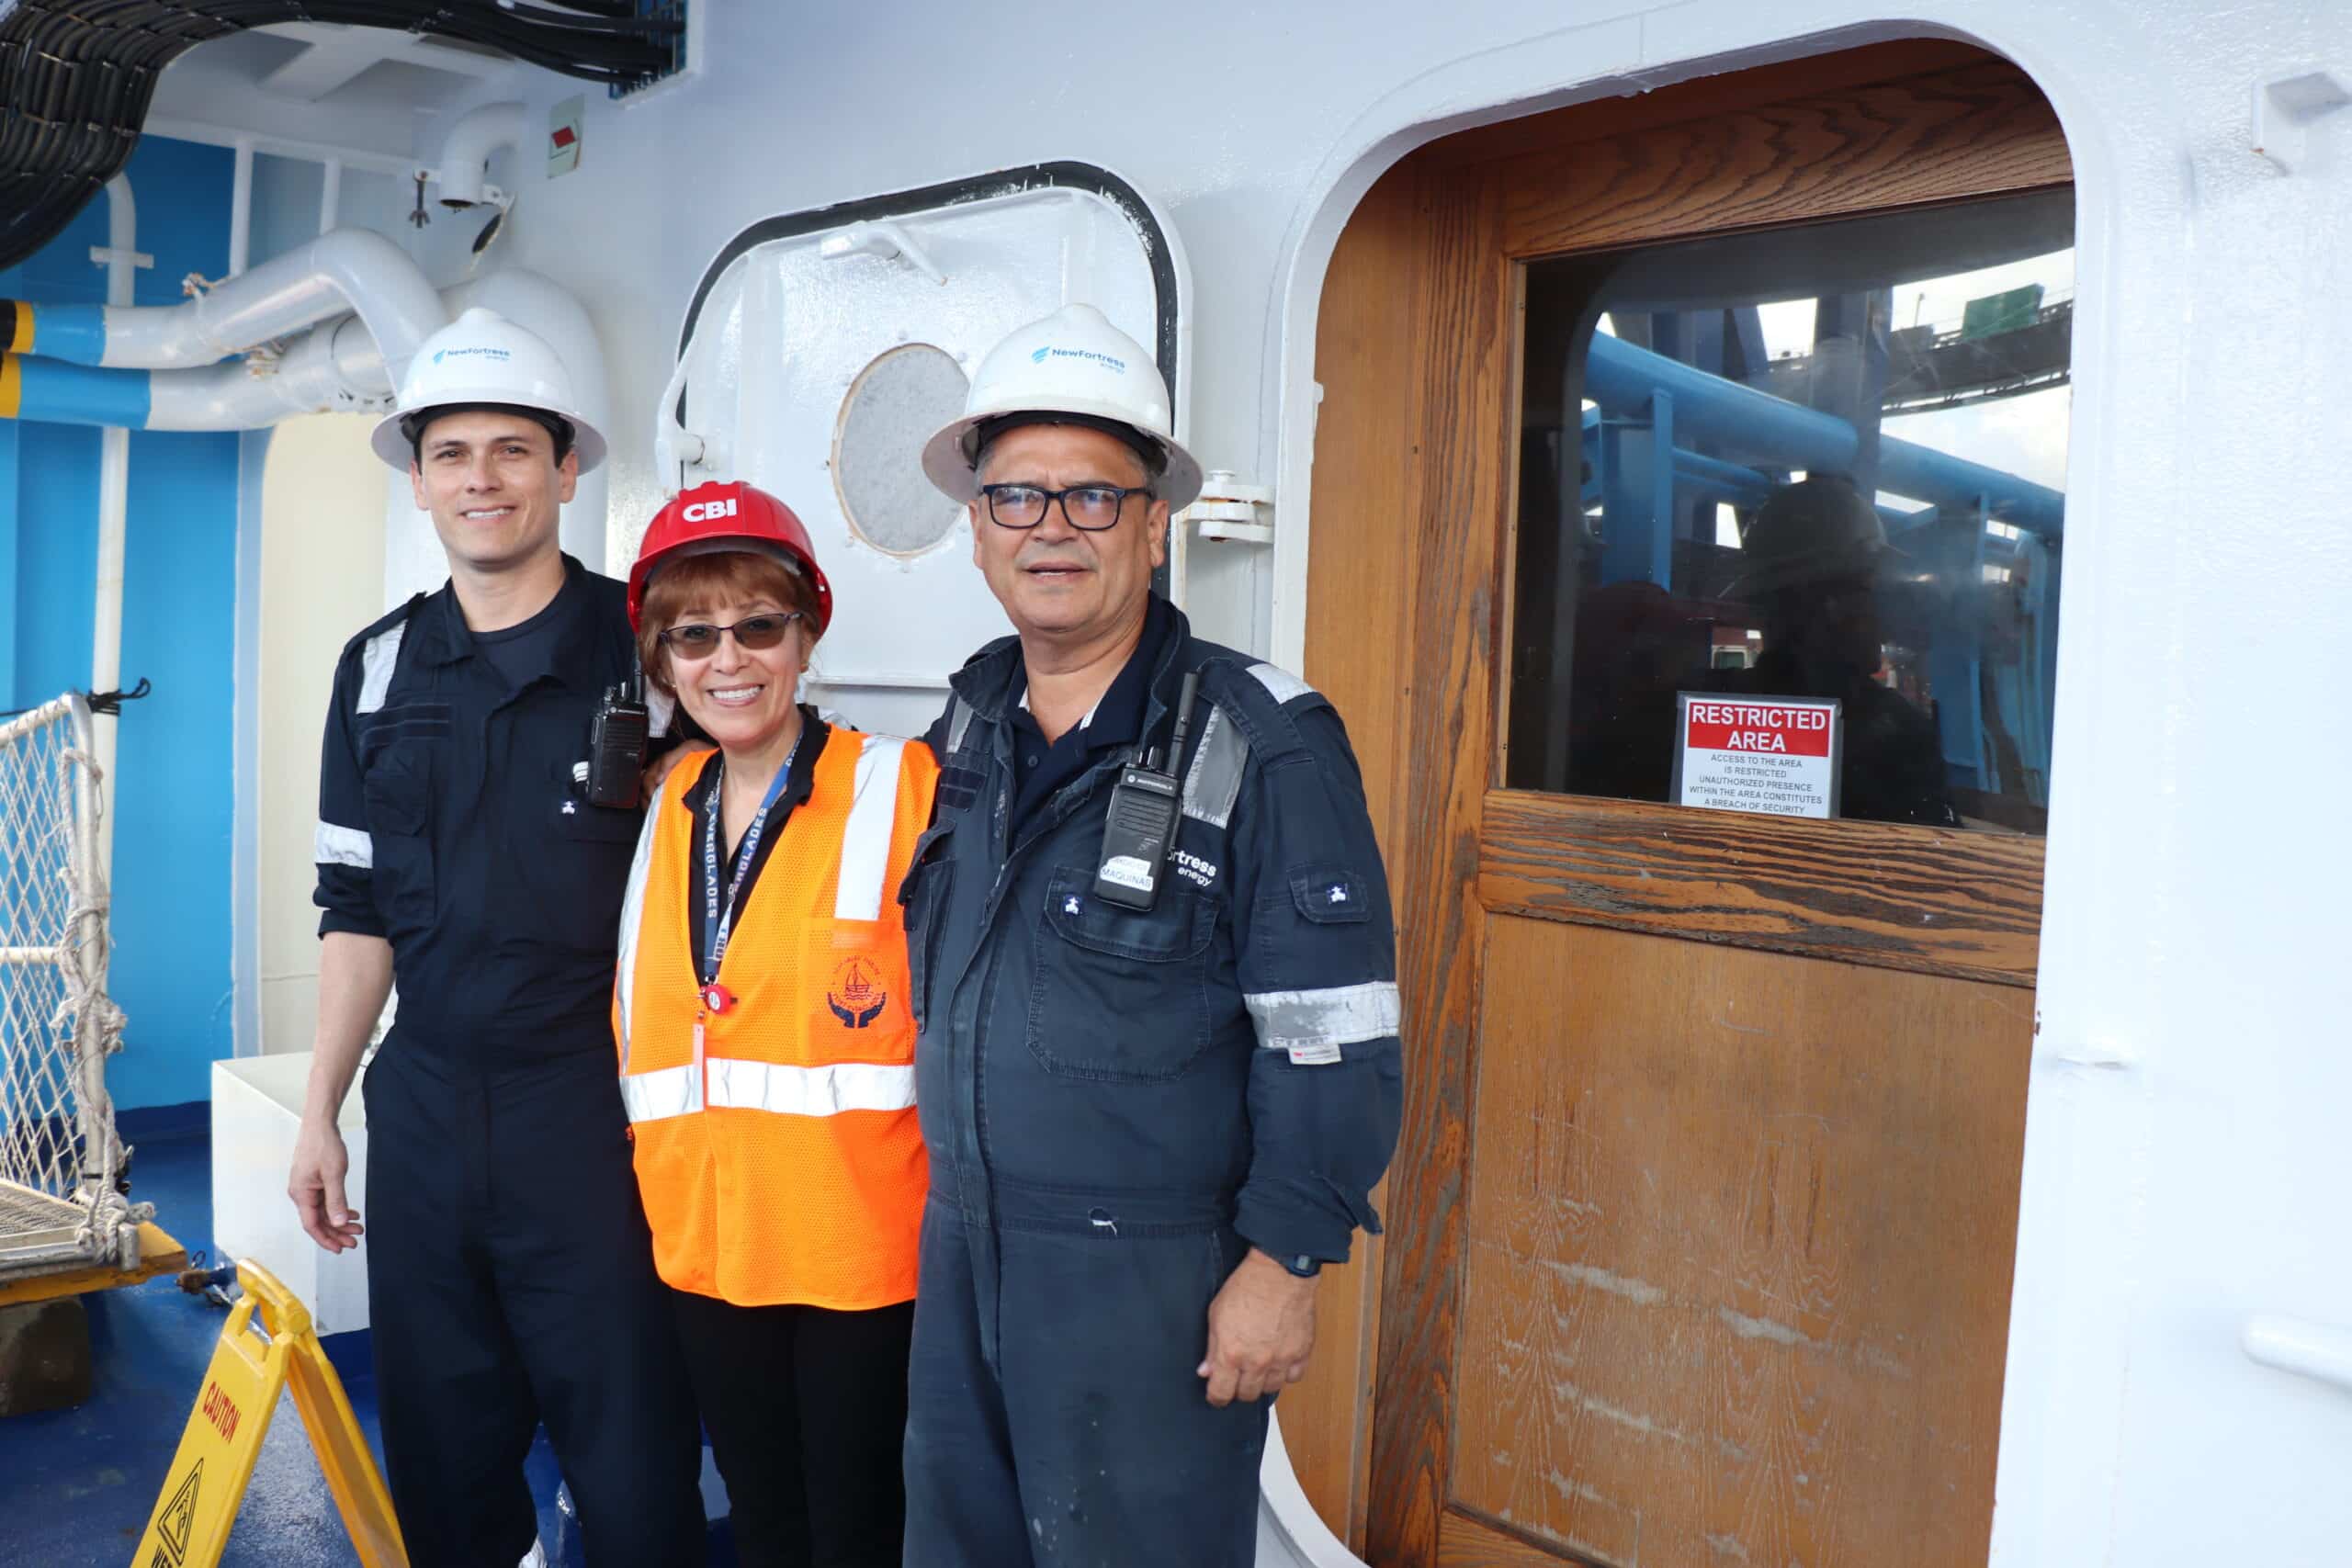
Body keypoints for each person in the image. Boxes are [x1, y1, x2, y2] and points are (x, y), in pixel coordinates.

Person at [898, 304, 1404, 1568]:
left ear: (1153, 523)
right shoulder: (967, 720)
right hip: (963, 1245)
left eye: (1093, 498)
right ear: (975, 528)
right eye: (1017, 497)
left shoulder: (1265, 738)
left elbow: (1332, 1035)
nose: (1052, 529)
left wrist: (1287, 1258)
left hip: (1146, 1279)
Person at [288, 307, 704, 1567]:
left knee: (632, 1466)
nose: (483, 477)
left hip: (599, 1115)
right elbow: (356, 910)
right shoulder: (373, 671)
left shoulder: (659, 646)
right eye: (453, 451)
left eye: (513, 448)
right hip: (422, 1116)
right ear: (419, 481)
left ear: (568, 467)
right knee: (446, 1463)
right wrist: (321, 1109)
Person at [612, 480, 938, 1568]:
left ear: (806, 636)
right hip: (708, 1251)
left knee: (858, 1535)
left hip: (861, 1258)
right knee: (762, 1525)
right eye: (693, 636)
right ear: (661, 662)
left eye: (759, 626)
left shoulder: (907, 787)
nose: (729, 659)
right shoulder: (670, 803)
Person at [1718, 473, 1959, 826]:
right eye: (1874, 594)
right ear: (1833, 607)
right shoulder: (1895, 733)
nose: (1885, 614)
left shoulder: (1713, 709)